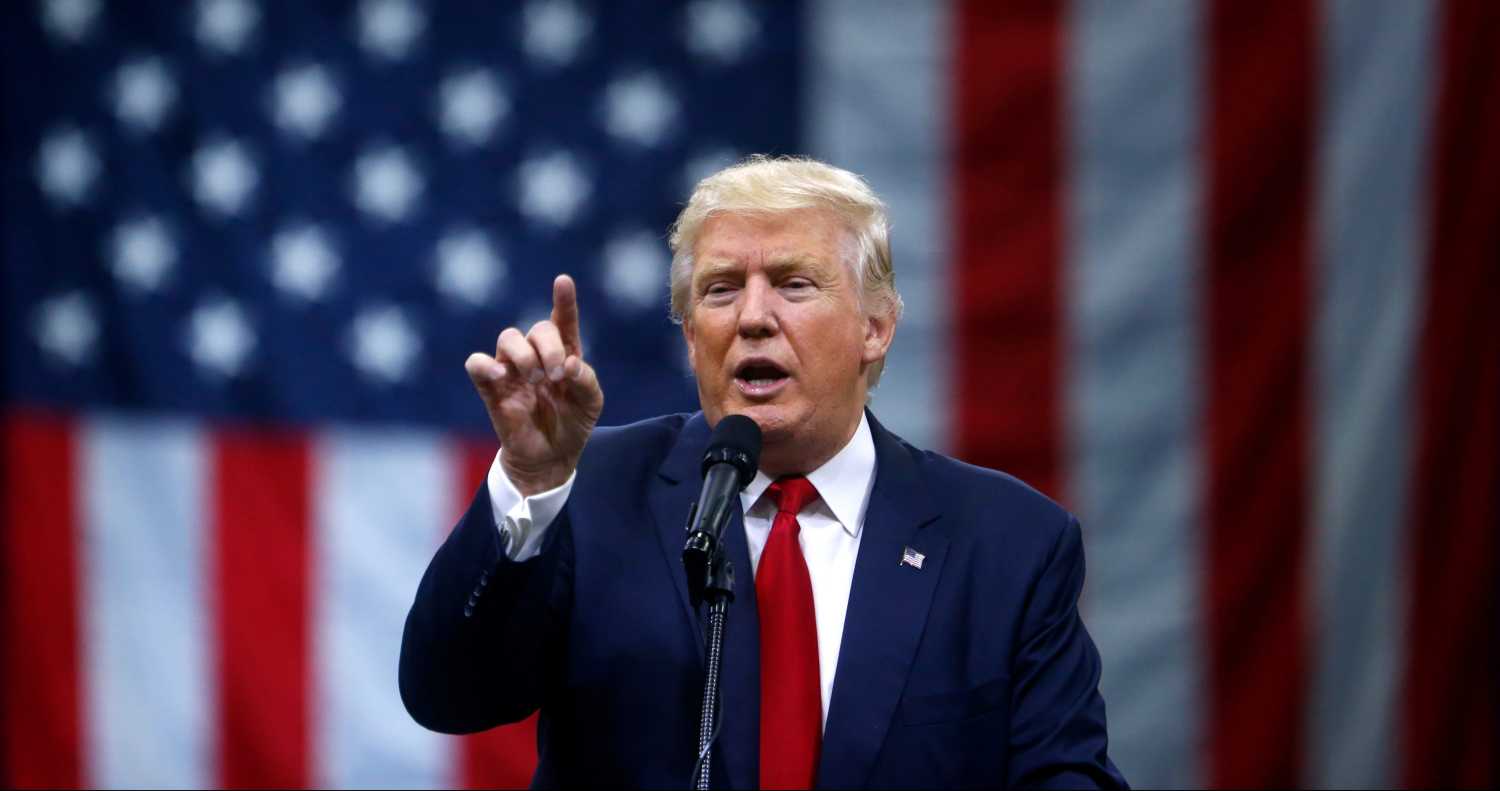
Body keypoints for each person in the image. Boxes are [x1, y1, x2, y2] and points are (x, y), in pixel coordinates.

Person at [400, 156, 1127, 789]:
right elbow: (447, 693)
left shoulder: (1007, 542)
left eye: (793, 283)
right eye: (720, 289)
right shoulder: (590, 490)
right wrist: (532, 479)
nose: (751, 316)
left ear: (875, 327)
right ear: (691, 338)